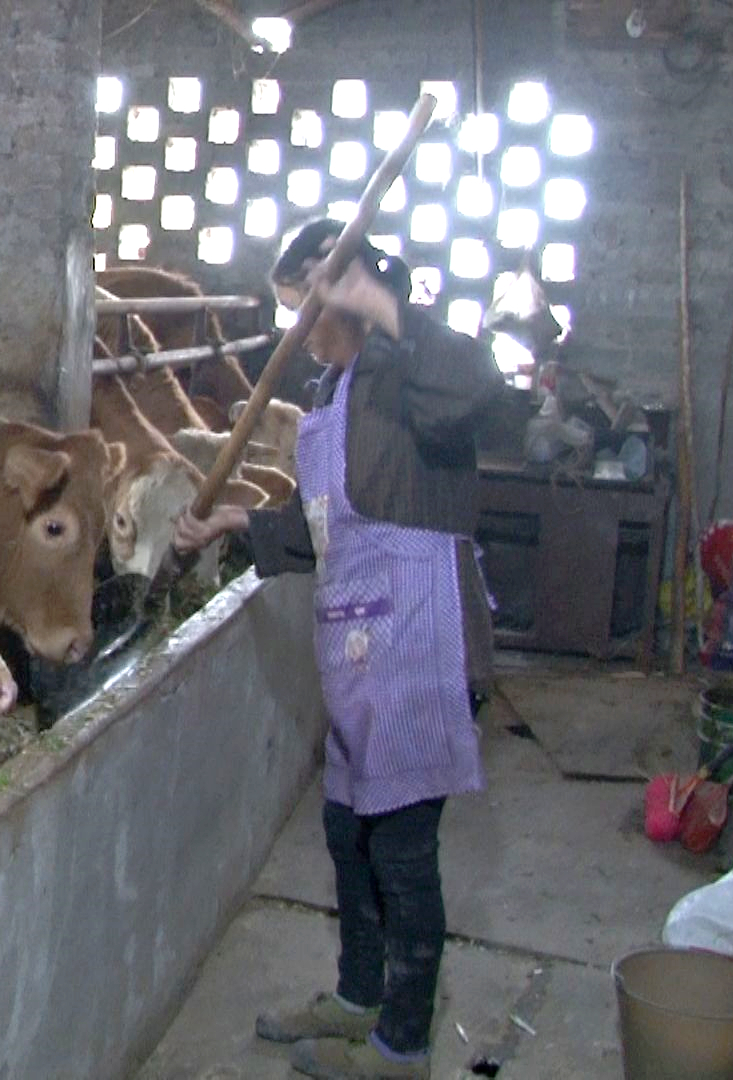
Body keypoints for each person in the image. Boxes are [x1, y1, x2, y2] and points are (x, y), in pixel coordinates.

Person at [174, 219, 506, 1080]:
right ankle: (361, 999)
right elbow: (323, 529)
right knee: (347, 833)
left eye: (306, 308)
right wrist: (232, 521)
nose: (299, 332)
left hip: (424, 645)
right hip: (363, 650)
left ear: (349, 294)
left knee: (401, 852)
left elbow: (482, 390)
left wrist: (386, 307)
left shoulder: (410, 372)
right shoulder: (334, 391)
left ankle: (403, 1047)